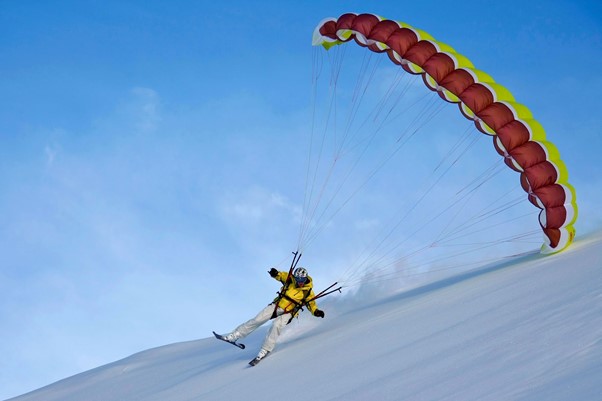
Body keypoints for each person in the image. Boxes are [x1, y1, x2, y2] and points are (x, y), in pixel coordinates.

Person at [218, 266, 325, 364]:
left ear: (305, 279)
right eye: (297, 279)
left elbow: (311, 304)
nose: (299, 282)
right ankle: (234, 336)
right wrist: (275, 273)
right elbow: (280, 275)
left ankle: (264, 350)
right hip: (277, 305)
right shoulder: (290, 279)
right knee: (257, 319)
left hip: (290, 312)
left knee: (276, 325)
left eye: (301, 280)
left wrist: (316, 311)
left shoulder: (308, 292)